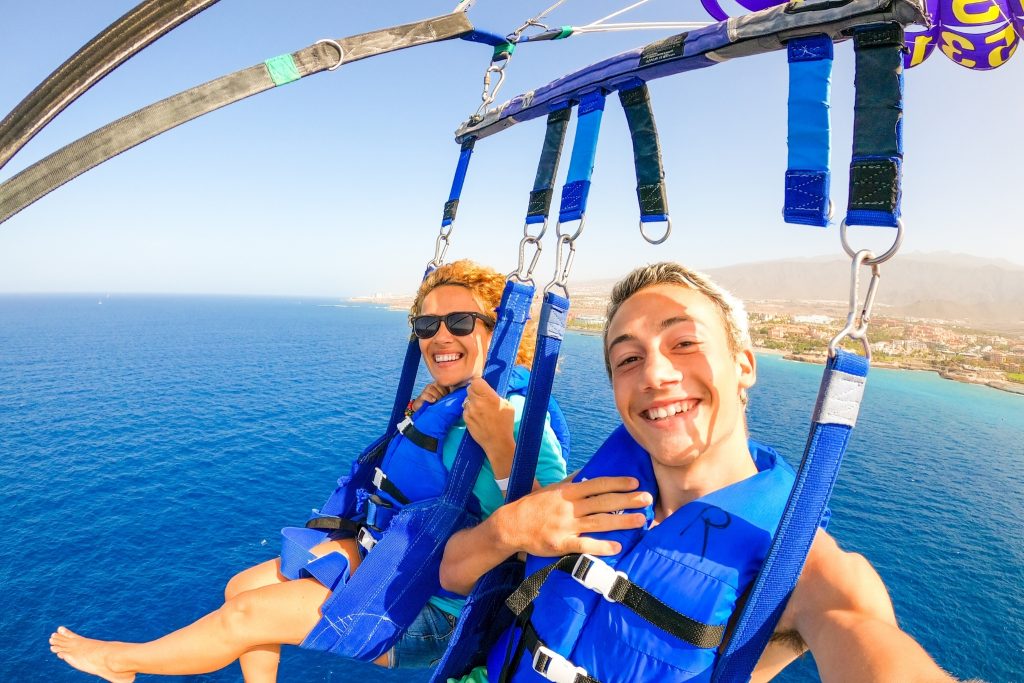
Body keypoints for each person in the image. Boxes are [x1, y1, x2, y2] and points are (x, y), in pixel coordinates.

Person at [49, 260, 568, 683]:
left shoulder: (518, 415)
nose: (439, 337)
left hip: (438, 610)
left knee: (245, 619)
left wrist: (502, 447)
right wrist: (432, 406)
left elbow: (554, 539)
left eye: (460, 323)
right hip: (397, 560)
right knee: (239, 589)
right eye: (426, 326)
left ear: (497, 331)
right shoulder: (450, 400)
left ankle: (122, 663)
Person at [439, 262, 957, 682]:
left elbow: (867, 640)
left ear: (744, 366)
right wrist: (509, 529)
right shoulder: (584, 498)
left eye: (684, 343)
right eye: (628, 359)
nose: (655, 375)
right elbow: (451, 574)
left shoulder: (803, 568)